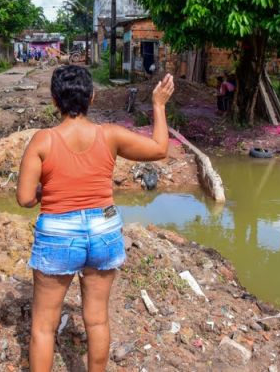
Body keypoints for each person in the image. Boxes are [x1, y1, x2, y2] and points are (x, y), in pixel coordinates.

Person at [16, 65, 174, 372]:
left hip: (58, 235)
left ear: (53, 100)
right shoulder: (110, 135)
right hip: (104, 229)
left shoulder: (42, 141)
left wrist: (42, 191)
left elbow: (23, 199)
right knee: (98, 319)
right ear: (92, 97)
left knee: (44, 327)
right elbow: (159, 149)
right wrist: (158, 105)